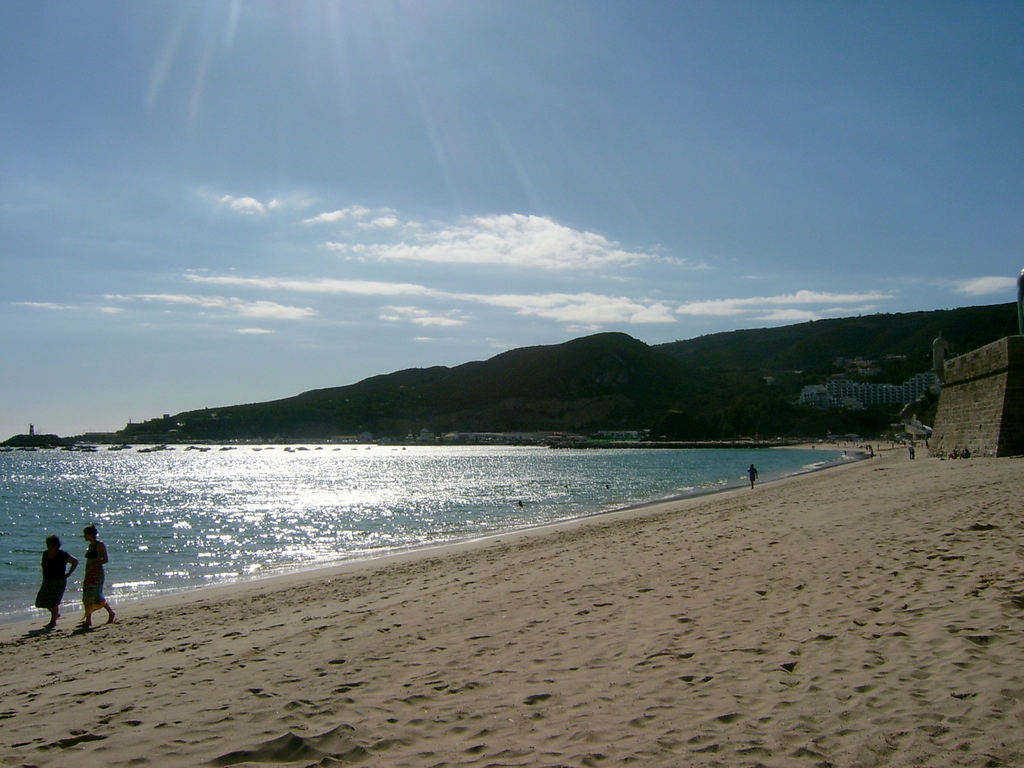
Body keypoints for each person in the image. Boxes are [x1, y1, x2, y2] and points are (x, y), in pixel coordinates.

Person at [34, 534, 78, 629]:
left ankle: (53, 621)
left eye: (49, 544)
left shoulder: (62, 554)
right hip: (47, 580)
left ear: (55, 545)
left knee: (53, 602)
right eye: (47, 544)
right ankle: (56, 614)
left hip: (58, 581)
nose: (48, 546)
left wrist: (69, 573)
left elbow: (75, 561)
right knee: (41, 601)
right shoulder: (46, 554)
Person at [80, 525, 115, 627]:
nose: (84, 537)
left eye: (86, 535)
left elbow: (105, 559)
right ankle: (88, 619)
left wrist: (94, 564)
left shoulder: (99, 545)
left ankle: (110, 613)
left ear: (91, 535)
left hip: (96, 574)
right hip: (89, 573)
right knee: (87, 596)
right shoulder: (90, 546)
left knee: (95, 595)